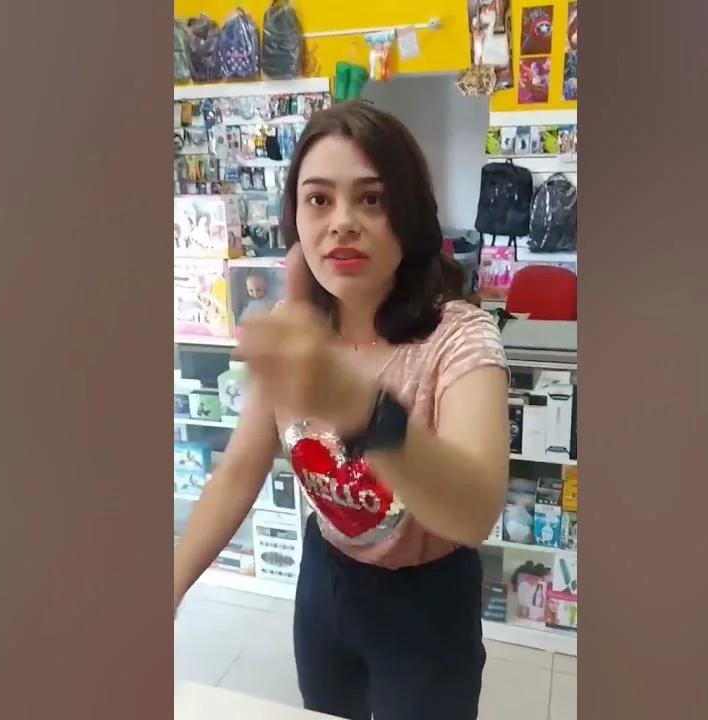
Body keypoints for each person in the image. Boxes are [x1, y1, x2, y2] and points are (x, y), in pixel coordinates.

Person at [173, 101, 511, 720]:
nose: (342, 223)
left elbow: (474, 514)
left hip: (428, 605)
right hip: (327, 582)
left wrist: (359, 406)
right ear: (296, 217)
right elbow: (239, 471)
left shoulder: (460, 338)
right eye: (319, 200)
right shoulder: (294, 329)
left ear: (408, 215)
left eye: (372, 200)